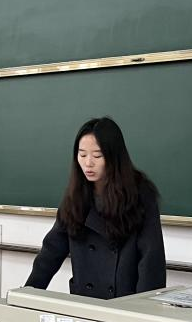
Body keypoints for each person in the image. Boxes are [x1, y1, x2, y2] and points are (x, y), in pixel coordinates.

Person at [25, 117, 166, 299]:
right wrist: (27, 294)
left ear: (114, 157)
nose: (88, 163)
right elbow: (51, 251)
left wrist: (143, 308)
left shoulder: (140, 194)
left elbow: (151, 259)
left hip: (123, 302)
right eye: (82, 155)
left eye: (97, 156)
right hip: (84, 300)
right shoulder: (76, 195)